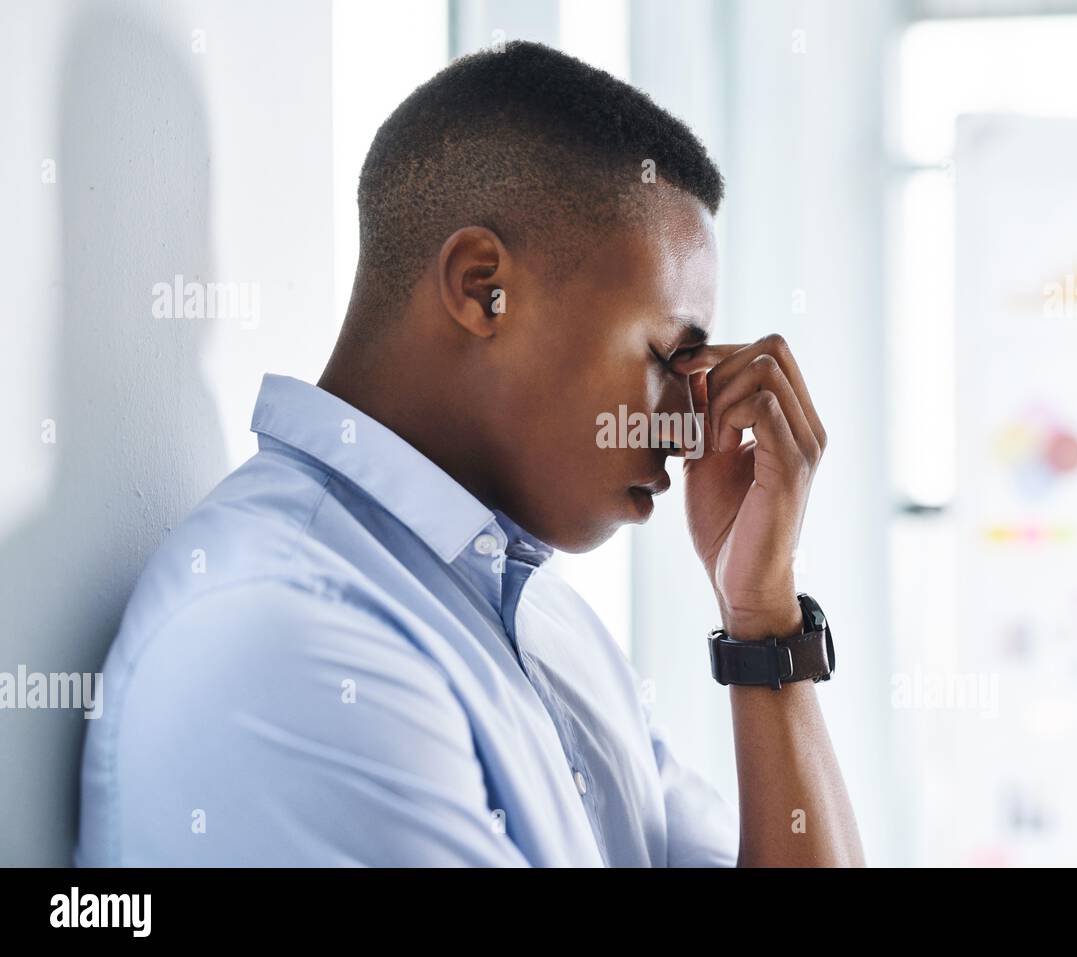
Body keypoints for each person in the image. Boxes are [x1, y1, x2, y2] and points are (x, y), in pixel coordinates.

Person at [75, 40, 863, 867]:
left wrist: (763, 615)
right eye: (669, 358)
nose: (689, 426)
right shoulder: (281, 638)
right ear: (482, 287)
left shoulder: (548, 630)